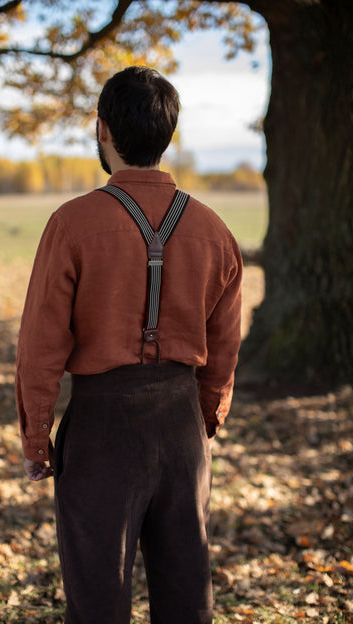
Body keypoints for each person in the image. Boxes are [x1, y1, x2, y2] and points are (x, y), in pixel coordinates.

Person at [16, 65, 242, 624]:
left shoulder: (71, 224)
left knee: (97, 599)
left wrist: (37, 436)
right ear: (167, 138)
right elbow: (225, 346)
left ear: (102, 131)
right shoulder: (216, 231)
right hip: (181, 428)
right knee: (187, 594)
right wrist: (206, 421)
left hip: (101, 430)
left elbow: (39, 345)